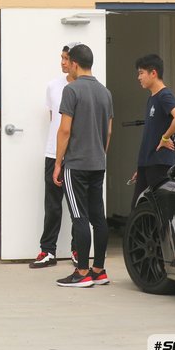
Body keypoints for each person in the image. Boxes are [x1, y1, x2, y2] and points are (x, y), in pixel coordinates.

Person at [130, 54, 175, 260]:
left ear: (154, 73)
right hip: (148, 164)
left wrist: (165, 136)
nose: (139, 78)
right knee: (139, 210)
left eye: (141, 73)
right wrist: (141, 166)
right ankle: (150, 254)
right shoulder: (152, 98)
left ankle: (174, 252)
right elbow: (150, 136)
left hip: (161, 164)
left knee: (163, 210)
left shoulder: (164, 96)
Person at [53, 44, 113, 288]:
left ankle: (82, 272)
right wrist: (100, 154)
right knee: (98, 217)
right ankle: (99, 269)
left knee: (79, 216)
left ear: (75, 64)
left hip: (76, 164)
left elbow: (65, 129)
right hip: (98, 163)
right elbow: (108, 131)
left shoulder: (71, 90)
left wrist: (58, 163)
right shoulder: (105, 92)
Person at [29, 42, 79, 269]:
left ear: (76, 62)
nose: (62, 62)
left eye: (66, 58)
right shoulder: (53, 86)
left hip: (78, 155)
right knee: (53, 205)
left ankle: (78, 249)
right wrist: (57, 151)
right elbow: (55, 121)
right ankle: (47, 251)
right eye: (61, 58)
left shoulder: (87, 87)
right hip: (54, 153)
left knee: (78, 205)